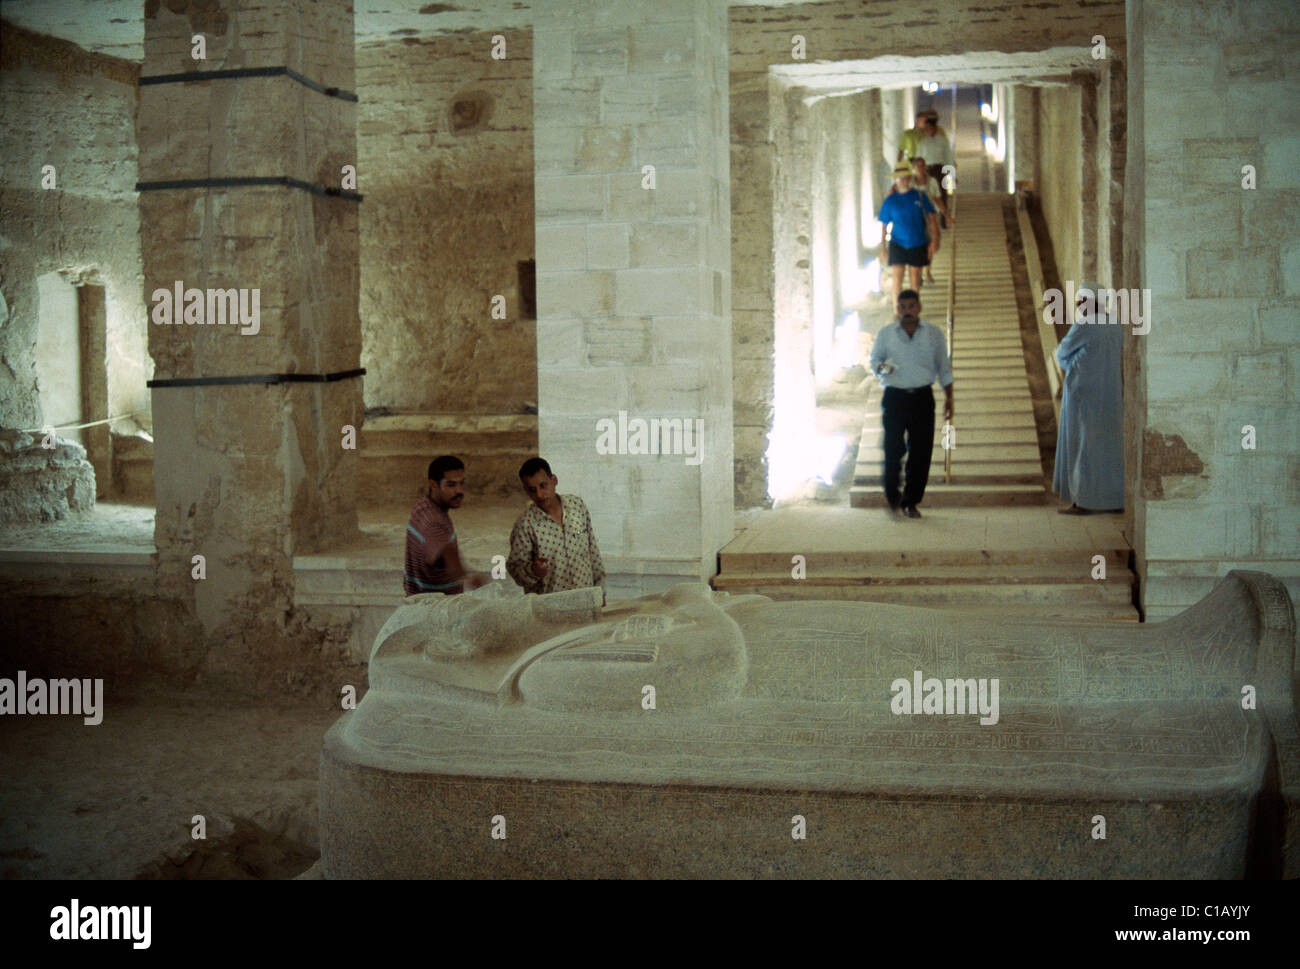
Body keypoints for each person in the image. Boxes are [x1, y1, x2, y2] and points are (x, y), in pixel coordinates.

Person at [868, 289, 954, 519]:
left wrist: (949, 398)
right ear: (897, 309)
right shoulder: (886, 334)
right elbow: (874, 362)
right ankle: (892, 495)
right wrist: (884, 368)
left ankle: (911, 501)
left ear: (919, 308)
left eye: (911, 306)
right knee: (893, 448)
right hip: (894, 397)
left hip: (922, 398)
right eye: (903, 307)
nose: (907, 311)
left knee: (921, 451)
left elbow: (944, 368)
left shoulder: (933, 334)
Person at [1053, 283, 1124, 514]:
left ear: (1092, 302)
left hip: (1083, 395)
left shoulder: (1086, 323)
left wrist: (1072, 364)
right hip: (1110, 393)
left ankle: (1082, 501)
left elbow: (1062, 352)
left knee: (1082, 445)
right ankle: (1112, 500)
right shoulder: (1115, 324)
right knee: (1107, 448)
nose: (1078, 307)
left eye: (1081, 301)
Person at [506, 457, 606, 600]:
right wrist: (533, 571)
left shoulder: (577, 506)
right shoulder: (525, 525)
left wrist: (600, 591)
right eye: (532, 490)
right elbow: (515, 569)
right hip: (550, 609)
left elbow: (593, 551)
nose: (539, 494)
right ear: (526, 490)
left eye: (543, 485)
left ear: (554, 480)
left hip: (586, 602)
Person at [403, 454, 493, 595]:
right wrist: (472, 578)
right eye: (451, 485)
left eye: (462, 483)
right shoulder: (433, 521)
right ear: (433, 485)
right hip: (435, 606)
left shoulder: (423, 506)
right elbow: (448, 555)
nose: (459, 491)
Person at [878, 162, 938, 306]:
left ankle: (912, 309)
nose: (903, 180)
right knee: (897, 278)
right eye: (900, 177)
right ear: (895, 180)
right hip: (897, 242)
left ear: (909, 178)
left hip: (918, 241)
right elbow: (884, 225)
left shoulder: (920, 196)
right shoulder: (890, 201)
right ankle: (897, 310)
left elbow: (931, 218)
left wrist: (935, 240)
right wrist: (883, 247)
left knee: (915, 278)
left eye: (905, 177)